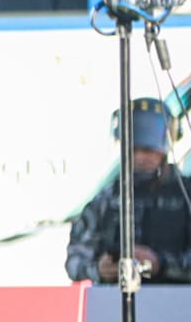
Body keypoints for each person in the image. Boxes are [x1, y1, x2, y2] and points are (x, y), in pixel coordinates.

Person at [65, 98, 191, 285]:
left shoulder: (185, 194)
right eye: (134, 150)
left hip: (178, 305)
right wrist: (99, 269)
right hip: (116, 303)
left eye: (148, 150)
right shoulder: (107, 199)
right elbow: (75, 261)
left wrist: (160, 263)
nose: (140, 157)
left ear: (163, 150)